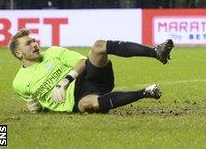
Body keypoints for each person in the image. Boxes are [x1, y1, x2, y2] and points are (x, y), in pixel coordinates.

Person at [10, 28, 174, 113]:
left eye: (33, 40)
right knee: (87, 105)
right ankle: (145, 92)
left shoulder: (53, 52)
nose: (34, 44)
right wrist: (37, 108)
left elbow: (82, 61)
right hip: (77, 99)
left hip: (86, 76)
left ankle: (156, 53)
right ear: (18, 53)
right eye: (28, 43)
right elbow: (36, 101)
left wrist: (64, 82)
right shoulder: (19, 83)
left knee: (98, 47)